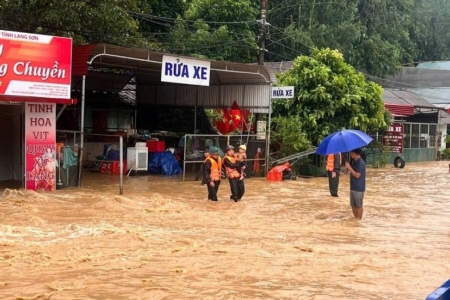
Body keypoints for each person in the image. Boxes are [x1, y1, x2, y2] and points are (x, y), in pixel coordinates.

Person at [345, 148, 366, 220]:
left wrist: (349, 167)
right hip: (353, 187)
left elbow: (357, 175)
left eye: (351, 152)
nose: (350, 153)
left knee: (359, 205)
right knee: (353, 205)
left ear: (354, 153)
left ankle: (359, 220)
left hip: (359, 188)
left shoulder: (361, 163)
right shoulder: (354, 161)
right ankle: (355, 219)